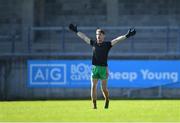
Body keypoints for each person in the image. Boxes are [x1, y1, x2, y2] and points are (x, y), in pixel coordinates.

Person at [69, 24, 136, 109]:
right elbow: (84, 37)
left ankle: (107, 99)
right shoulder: (93, 43)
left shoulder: (107, 45)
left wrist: (127, 35)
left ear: (103, 36)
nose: (98, 37)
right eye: (97, 35)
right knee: (93, 86)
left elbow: (117, 40)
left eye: (100, 35)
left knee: (103, 89)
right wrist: (76, 31)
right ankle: (94, 105)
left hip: (103, 69)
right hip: (95, 68)